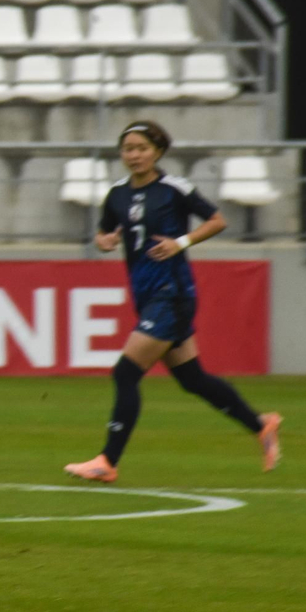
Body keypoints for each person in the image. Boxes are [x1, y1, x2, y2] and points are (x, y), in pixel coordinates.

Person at [65, 122, 282, 484]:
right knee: (191, 378)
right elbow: (105, 231)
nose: (133, 155)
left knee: (126, 372)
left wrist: (180, 243)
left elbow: (216, 220)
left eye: (141, 148)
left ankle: (107, 460)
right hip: (147, 295)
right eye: (128, 149)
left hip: (173, 294)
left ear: (158, 151)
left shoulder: (174, 189)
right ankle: (261, 424)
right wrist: (104, 240)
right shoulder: (116, 194)